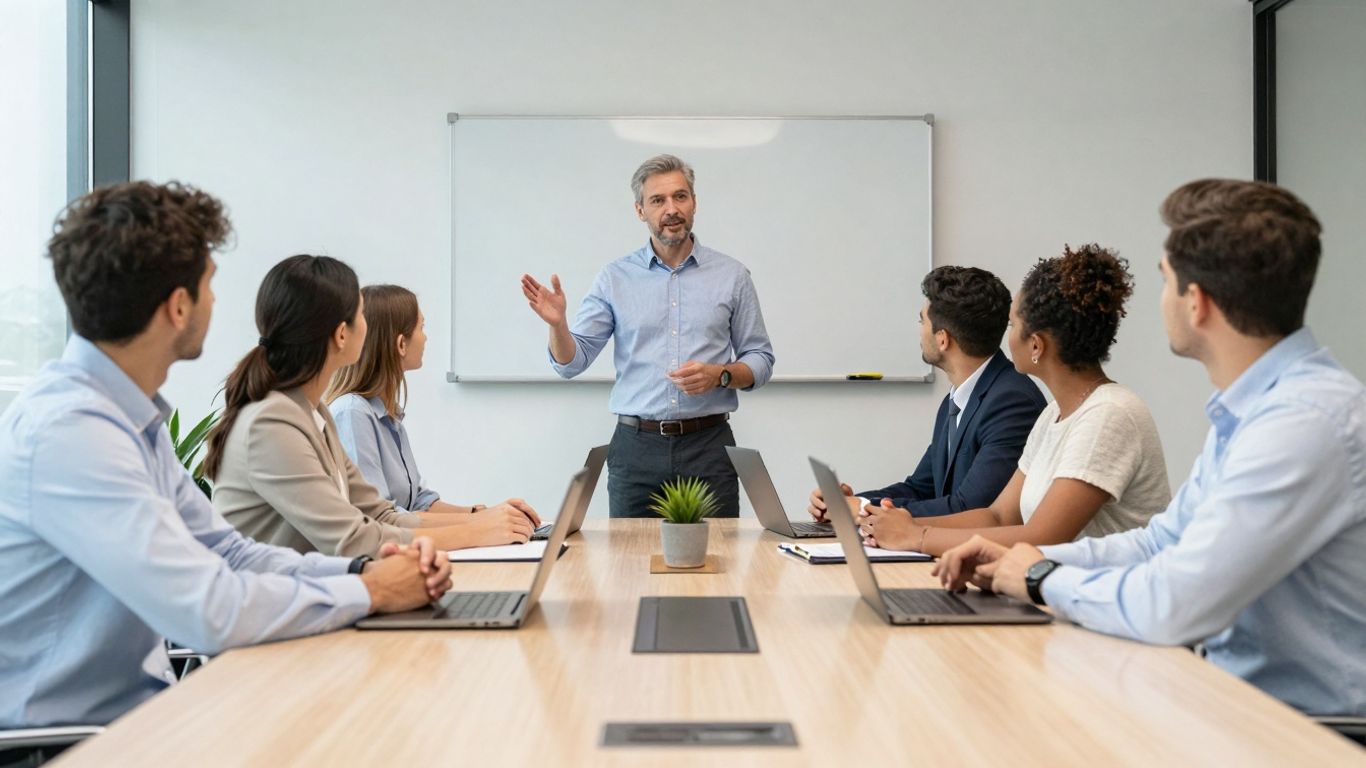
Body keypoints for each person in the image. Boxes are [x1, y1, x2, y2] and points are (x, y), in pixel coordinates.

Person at [0, 181, 450, 731]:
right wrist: (368, 591)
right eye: (210, 284)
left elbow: (231, 555)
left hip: (142, 721)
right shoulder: (71, 434)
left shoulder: (127, 421)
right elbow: (209, 607)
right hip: (69, 744)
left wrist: (362, 569)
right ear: (179, 306)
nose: (216, 301)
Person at [936, 179, 1366, 719]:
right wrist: (1033, 558)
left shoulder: (1304, 423)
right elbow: (1161, 543)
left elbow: (1174, 604)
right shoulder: (1254, 410)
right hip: (1232, 702)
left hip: (1304, 731)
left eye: (1164, 282)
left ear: (1197, 302)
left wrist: (1042, 578)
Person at [207, 256, 540, 557]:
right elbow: (354, 539)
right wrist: (478, 531)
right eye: (360, 313)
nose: (367, 324)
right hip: (276, 613)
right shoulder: (271, 425)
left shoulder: (313, 414)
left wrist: (483, 525)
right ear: (342, 334)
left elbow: (380, 514)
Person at [859, 245, 1171, 556]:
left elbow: (1042, 537)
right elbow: (998, 516)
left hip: (1101, 599)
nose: (1004, 338)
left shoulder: (1109, 415)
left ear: (1036, 345)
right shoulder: (1053, 416)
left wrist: (918, 536)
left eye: (1012, 326)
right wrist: (903, 525)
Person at [520, 154, 775, 517]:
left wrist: (720, 374)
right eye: (658, 200)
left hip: (709, 447)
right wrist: (557, 325)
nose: (671, 209)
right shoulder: (614, 278)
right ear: (640, 210)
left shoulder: (732, 276)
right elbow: (571, 364)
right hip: (636, 450)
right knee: (628, 566)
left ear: (694, 203)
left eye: (680, 197)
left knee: (719, 565)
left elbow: (760, 359)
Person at [807, 266, 1046, 522]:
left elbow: (970, 508)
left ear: (942, 339)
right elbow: (920, 488)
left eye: (922, 320)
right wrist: (847, 503)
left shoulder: (1012, 402)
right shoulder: (955, 400)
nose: (920, 330)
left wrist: (862, 508)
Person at [326, 284, 536, 517]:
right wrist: (483, 526)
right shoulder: (352, 414)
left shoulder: (388, 416)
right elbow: (378, 518)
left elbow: (418, 502)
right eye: (421, 327)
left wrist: (482, 514)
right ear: (401, 344)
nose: (425, 337)